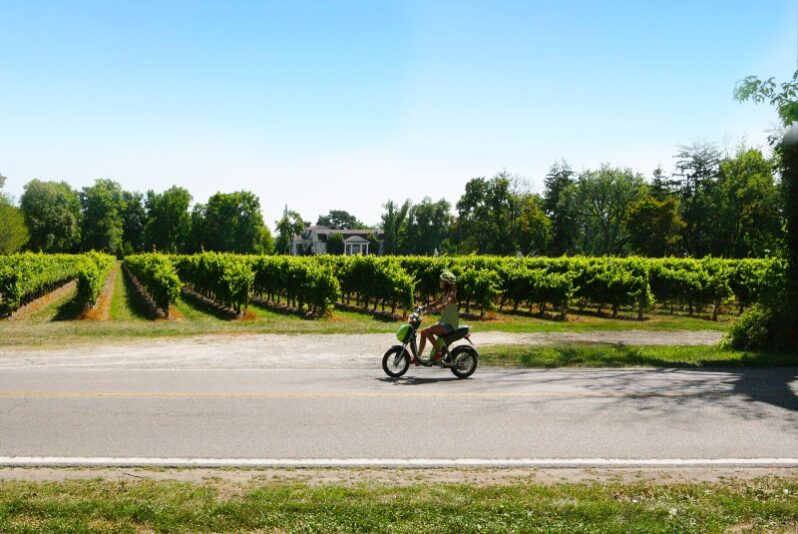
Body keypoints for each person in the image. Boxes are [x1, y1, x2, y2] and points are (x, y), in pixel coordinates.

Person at [418, 270, 459, 362]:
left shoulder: (451, 295)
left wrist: (434, 310)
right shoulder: (444, 294)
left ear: (446, 282)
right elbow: (436, 303)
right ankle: (418, 356)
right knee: (423, 332)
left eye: (441, 281)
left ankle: (439, 353)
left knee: (428, 331)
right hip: (444, 322)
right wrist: (423, 307)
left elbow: (445, 305)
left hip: (450, 325)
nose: (440, 282)